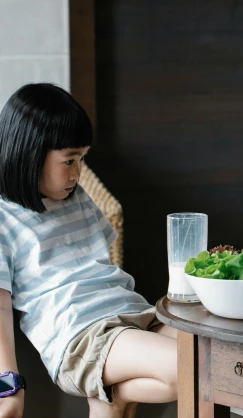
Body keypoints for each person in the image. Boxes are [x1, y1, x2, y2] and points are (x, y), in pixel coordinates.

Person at [0, 84, 177, 418]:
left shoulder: (75, 196)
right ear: (30, 153)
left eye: (81, 160)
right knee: (194, 366)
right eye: (69, 161)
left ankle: (107, 395)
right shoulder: (3, 217)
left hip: (133, 315)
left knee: (216, 356)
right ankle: (107, 395)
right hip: (79, 336)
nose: (77, 173)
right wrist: (8, 384)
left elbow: (101, 264)